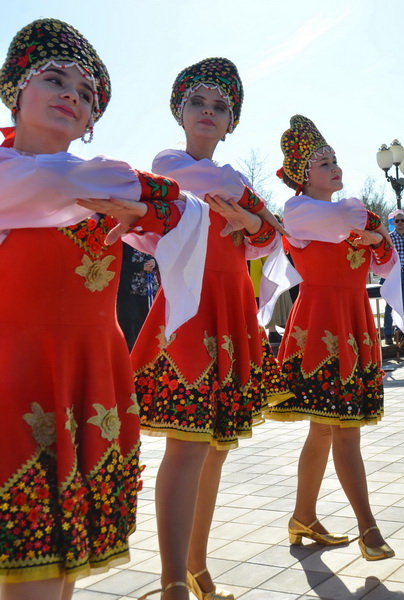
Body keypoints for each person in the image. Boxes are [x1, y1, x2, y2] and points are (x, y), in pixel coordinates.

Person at [0, 18, 196, 600]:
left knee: (62, 570)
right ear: (15, 90)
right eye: (55, 79)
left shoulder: (111, 188)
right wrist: (149, 208)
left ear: (90, 122)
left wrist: (146, 214)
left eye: (86, 95)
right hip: (16, 374)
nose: (72, 95)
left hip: (93, 374)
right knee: (28, 566)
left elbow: (186, 214)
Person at [129, 58, 291, 600]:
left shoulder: (234, 181)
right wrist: (256, 216)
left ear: (231, 124)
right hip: (191, 310)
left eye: (220, 107)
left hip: (231, 308)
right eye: (197, 102)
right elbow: (256, 219)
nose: (207, 111)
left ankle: (196, 566)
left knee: (216, 447)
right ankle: (173, 578)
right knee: (187, 446)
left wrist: (255, 222)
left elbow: (272, 242)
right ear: (179, 112)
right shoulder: (171, 163)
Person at [268, 115, 400, 561]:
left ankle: (303, 515)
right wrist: (373, 231)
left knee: (325, 431)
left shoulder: (351, 213)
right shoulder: (299, 211)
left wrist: (377, 238)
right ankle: (369, 528)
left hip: (354, 320)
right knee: (343, 430)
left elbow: (385, 264)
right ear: (303, 176)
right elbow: (346, 220)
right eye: (323, 163)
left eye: (335, 160)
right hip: (321, 324)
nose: (334, 168)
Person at [117, 244, 159, 350]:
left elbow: (167, 257)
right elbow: (118, 263)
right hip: (128, 291)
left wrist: (155, 263)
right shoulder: (126, 240)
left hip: (149, 291)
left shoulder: (154, 236)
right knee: (128, 324)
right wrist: (140, 267)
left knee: (147, 324)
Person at [383, 209, 404, 344]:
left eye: (402, 220)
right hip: (393, 274)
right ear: (393, 223)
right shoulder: (389, 237)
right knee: (390, 305)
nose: (400, 223)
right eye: (397, 221)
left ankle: (400, 333)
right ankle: (388, 334)